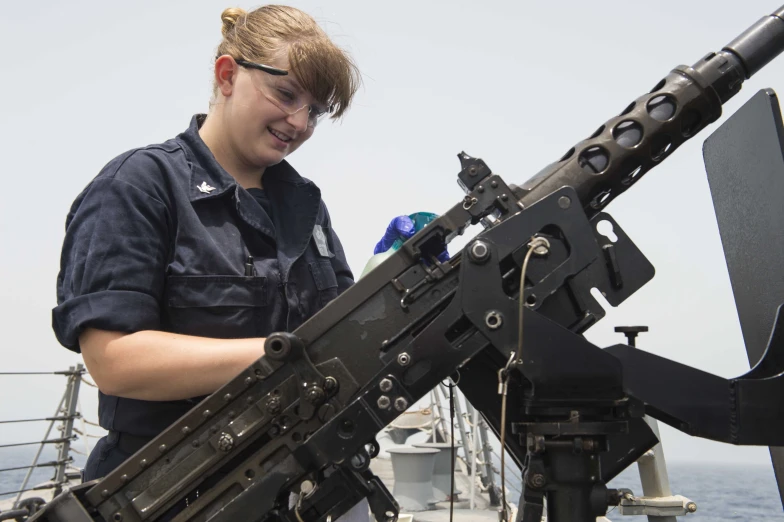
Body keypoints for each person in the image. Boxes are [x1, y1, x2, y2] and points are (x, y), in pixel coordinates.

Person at [52, 5, 421, 520]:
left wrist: (397, 276)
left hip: (312, 480)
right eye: (287, 94)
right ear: (228, 75)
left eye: (314, 111)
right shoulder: (139, 186)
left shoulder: (304, 202)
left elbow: (341, 330)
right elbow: (115, 362)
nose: (299, 123)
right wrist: (287, 358)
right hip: (175, 492)